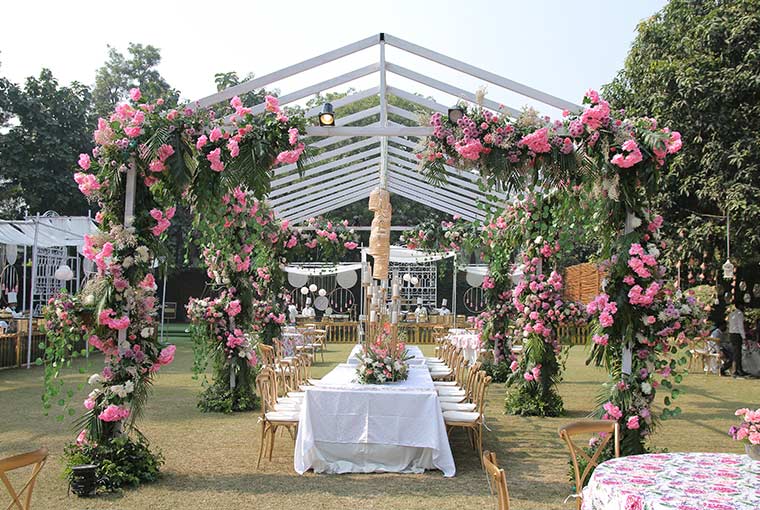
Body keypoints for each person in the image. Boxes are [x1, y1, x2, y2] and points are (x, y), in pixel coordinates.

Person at [727, 304, 747, 377]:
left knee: (736, 352)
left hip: (732, 334)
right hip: (737, 334)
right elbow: (740, 326)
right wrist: (744, 337)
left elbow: (729, 325)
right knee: (737, 353)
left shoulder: (731, 313)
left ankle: (739, 369)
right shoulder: (739, 314)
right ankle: (735, 370)